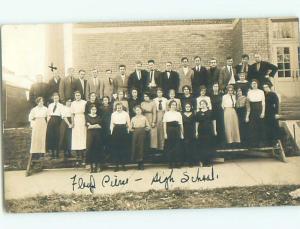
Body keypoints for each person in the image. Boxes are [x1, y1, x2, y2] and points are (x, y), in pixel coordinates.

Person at [110, 102, 131, 171]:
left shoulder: (126, 114)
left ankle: (123, 165)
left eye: (120, 108)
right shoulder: (113, 114)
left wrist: (127, 131)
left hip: (123, 130)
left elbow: (128, 123)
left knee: (123, 148)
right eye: (117, 108)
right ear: (116, 108)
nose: (119, 109)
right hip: (116, 130)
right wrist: (111, 132)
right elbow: (111, 124)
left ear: (122, 108)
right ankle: (116, 165)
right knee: (116, 148)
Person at [163, 100, 184, 168]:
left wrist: (181, 133)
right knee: (170, 147)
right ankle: (170, 163)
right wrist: (165, 133)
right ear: (170, 106)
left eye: (175, 105)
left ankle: (177, 163)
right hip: (169, 130)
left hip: (177, 130)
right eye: (172, 105)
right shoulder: (166, 114)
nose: (173, 106)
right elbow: (164, 124)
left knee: (177, 147)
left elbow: (181, 124)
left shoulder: (178, 114)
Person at [245, 80, 266, 147]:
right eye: (253, 84)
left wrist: (263, 112)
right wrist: (247, 115)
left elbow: (263, 103)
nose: (254, 85)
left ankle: (261, 143)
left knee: (261, 126)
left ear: (257, 84)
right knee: (253, 127)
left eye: (255, 83)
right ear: (251, 85)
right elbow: (248, 104)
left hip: (259, 109)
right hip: (252, 110)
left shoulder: (261, 91)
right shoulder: (249, 92)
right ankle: (253, 143)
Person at [195, 100, 215, 166]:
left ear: (206, 104)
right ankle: (202, 161)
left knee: (208, 145)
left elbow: (213, 121)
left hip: (209, 130)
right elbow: (197, 123)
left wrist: (215, 130)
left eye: (204, 103)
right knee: (202, 146)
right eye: (201, 104)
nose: (203, 105)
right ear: (200, 105)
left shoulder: (210, 112)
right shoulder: (198, 113)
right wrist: (196, 131)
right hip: (201, 130)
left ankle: (208, 162)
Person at [130, 105, 150, 170]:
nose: (138, 111)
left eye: (139, 110)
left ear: (141, 111)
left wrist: (145, 129)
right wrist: (133, 130)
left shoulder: (144, 118)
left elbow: (148, 126)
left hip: (142, 133)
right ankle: (138, 163)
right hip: (135, 133)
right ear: (135, 111)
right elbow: (130, 128)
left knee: (142, 147)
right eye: (136, 110)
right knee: (136, 147)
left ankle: (142, 164)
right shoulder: (133, 118)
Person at [71, 91, 87, 163]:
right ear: (75, 96)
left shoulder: (84, 102)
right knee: (77, 136)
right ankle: (78, 156)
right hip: (76, 119)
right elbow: (72, 114)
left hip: (82, 118)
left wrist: (86, 121)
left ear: (81, 96)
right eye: (76, 95)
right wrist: (72, 122)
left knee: (83, 136)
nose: (78, 96)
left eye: (79, 95)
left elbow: (86, 113)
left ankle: (84, 155)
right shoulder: (73, 103)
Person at [85, 105, 103, 173]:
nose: (94, 110)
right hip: (90, 135)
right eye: (92, 109)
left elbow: (100, 126)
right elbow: (88, 126)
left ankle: (97, 166)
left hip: (97, 135)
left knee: (97, 149)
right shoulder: (87, 117)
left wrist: (92, 125)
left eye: (95, 109)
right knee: (90, 149)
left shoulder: (98, 117)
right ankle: (91, 166)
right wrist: (95, 125)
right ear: (90, 110)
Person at [46, 93, 63, 159]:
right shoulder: (50, 105)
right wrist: (48, 122)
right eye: (55, 98)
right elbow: (48, 114)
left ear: (59, 98)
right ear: (53, 98)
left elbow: (62, 114)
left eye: (57, 98)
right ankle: (52, 153)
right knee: (51, 136)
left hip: (58, 120)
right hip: (51, 121)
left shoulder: (61, 105)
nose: (56, 99)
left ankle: (57, 153)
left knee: (57, 136)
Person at [153, 88, 168, 152]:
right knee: (157, 131)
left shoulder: (165, 100)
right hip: (157, 115)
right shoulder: (154, 100)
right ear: (157, 93)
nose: (159, 94)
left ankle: (163, 147)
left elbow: (166, 109)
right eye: (158, 92)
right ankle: (157, 148)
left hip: (163, 114)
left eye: (161, 92)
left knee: (163, 131)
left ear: (162, 93)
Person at [98, 96, 113, 161]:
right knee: (104, 140)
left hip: (109, 124)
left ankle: (110, 155)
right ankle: (104, 156)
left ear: (108, 100)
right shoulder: (100, 108)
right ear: (102, 101)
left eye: (106, 100)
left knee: (109, 139)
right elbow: (99, 116)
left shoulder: (111, 107)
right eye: (104, 100)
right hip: (103, 125)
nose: (105, 101)